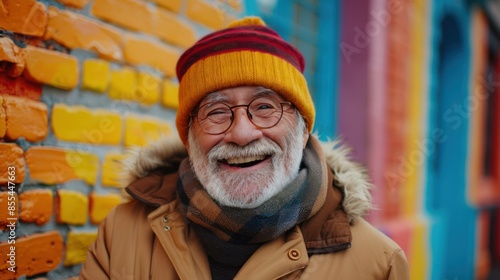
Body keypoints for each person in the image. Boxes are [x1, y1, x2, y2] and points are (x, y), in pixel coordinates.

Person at [80, 17, 409, 280]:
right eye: (216, 112)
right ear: (189, 136)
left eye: (265, 107)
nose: (241, 133)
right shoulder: (122, 232)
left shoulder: (377, 263)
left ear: (302, 126)